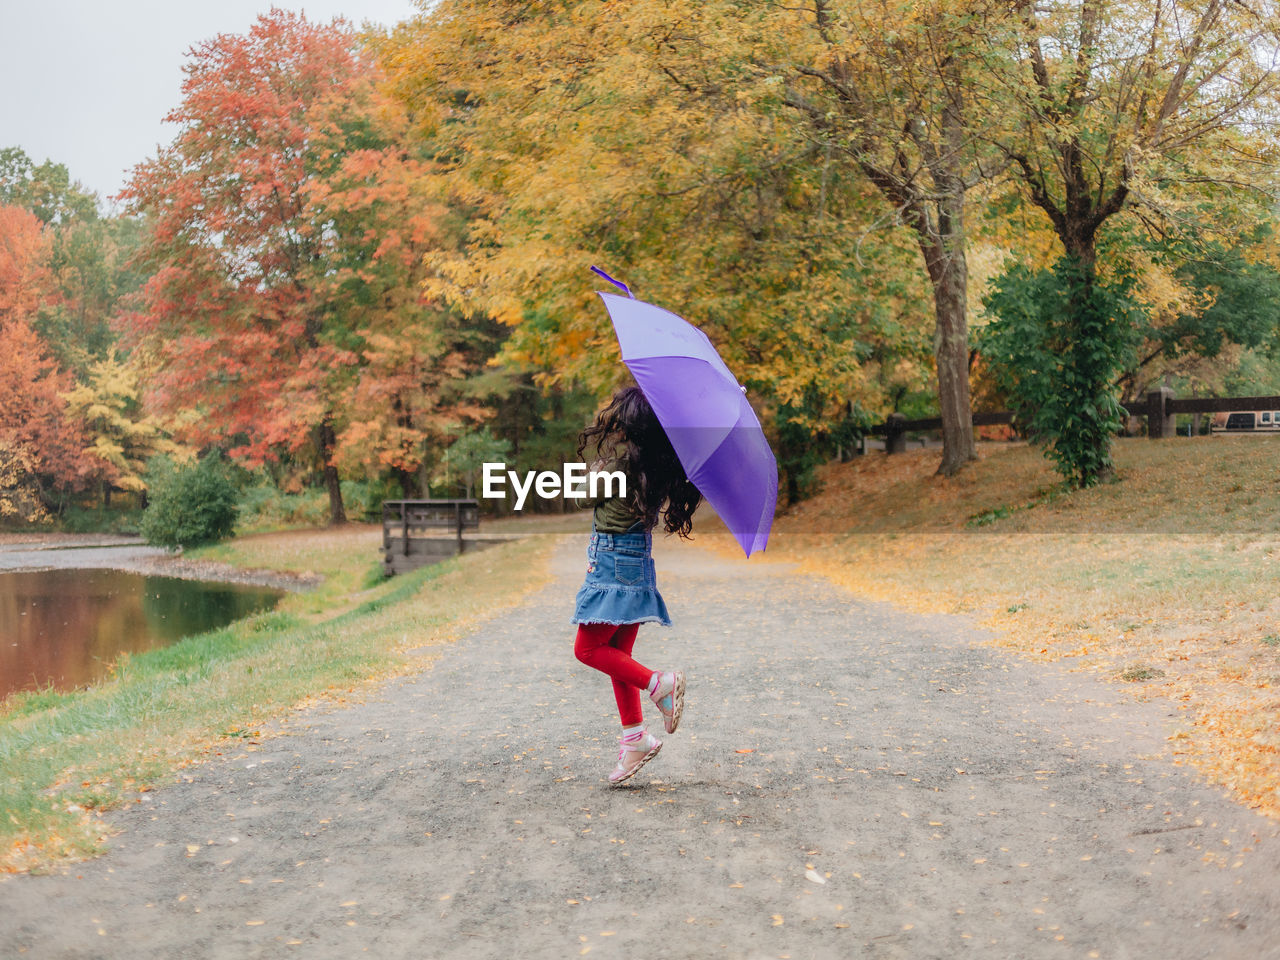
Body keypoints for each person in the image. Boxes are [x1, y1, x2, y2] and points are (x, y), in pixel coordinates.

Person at [571, 385, 702, 785]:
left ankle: (657, 684)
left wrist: (595, 471)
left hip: (611, 563)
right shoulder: (658, 462)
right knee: (616, 657)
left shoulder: (622, 463)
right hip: (636, 562)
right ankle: (635, 740)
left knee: (588, 649)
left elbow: (579, 498)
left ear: (631, 422)